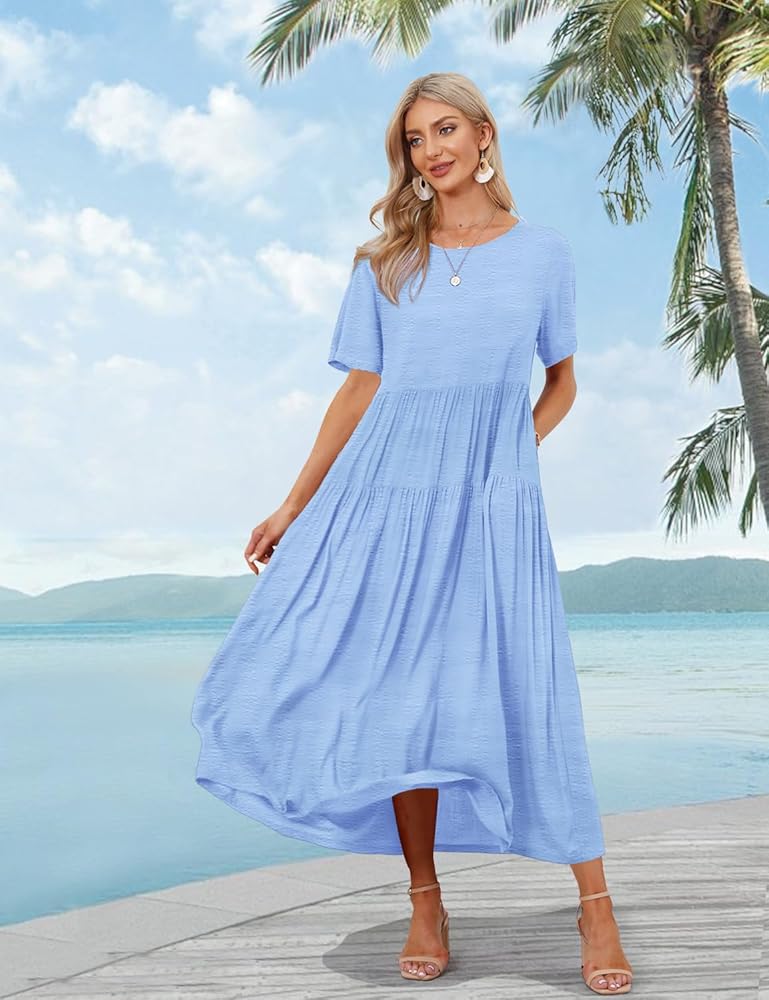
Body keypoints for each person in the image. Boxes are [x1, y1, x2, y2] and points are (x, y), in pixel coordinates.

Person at [190, 71, 633, 994]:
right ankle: (425, 900)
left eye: (444, 131)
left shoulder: (542, 253)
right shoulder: (384, 263)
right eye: (414, 140)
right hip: (386, 500)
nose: (431, 151)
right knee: (399, 704)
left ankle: (594, 905)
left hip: (492, 505)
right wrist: (292, 505)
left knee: (530, 689)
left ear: (483, 135)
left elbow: (561, 383)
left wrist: (510, 457)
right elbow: (360, 390)